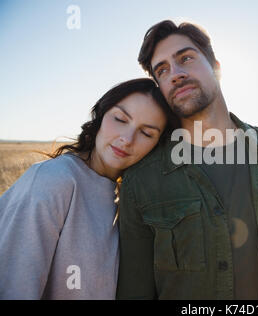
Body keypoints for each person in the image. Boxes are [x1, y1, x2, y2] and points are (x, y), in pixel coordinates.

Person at [116, 20, 258, 300]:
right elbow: (135, 289)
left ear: (217, 67)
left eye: (185, 58)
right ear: (159, 87)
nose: (175, 74)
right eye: (162, 70)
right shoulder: (143, 177)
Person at [0, 78, 178, 299]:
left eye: (147, 133)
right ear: (101, 116)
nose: (127, 139)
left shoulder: (130, 201)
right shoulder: (54, 180)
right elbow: (13, 288)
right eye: (120, 119)